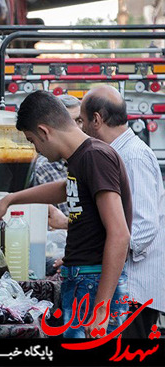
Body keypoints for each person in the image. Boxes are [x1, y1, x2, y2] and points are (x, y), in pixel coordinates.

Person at [0, 90, 132, 339]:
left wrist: (102, 308)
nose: (36, 149)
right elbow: (67, 188)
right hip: (82, 280)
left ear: (44, 131)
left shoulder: (95, 156)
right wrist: (11, 199)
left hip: (93, 282)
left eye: (32, 140)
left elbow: (119, 234)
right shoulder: (81, 158)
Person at [77, 85, 164, 339]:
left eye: (82, 120)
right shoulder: (118, 153)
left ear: (96, 120)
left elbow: (144, 226)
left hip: (134, 291)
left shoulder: (132, 157)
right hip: (128, 290)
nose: (81, 128)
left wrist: (108, 249)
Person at [32, 94, 82, 216]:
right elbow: (49, 223)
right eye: (69, 122)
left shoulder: (91, 159)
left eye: (79, 121)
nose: (76, 128)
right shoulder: (43, 169)